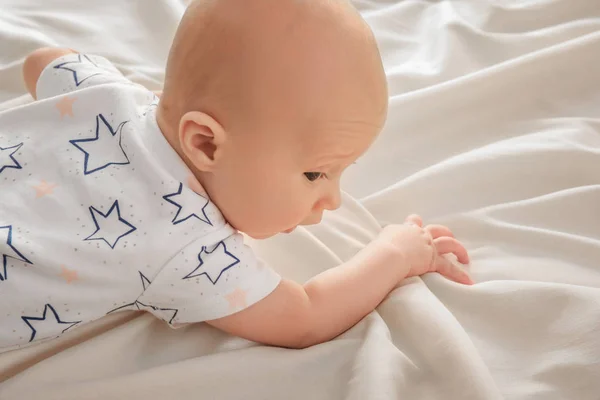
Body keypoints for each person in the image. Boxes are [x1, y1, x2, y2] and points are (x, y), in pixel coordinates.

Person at [0, 0, 471, 352]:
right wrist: (397, 252)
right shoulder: (185, 244)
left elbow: (41, 61)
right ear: (204, 143)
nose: (333, 201)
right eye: (315, 173)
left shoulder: (106, 94)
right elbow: (303, 319)